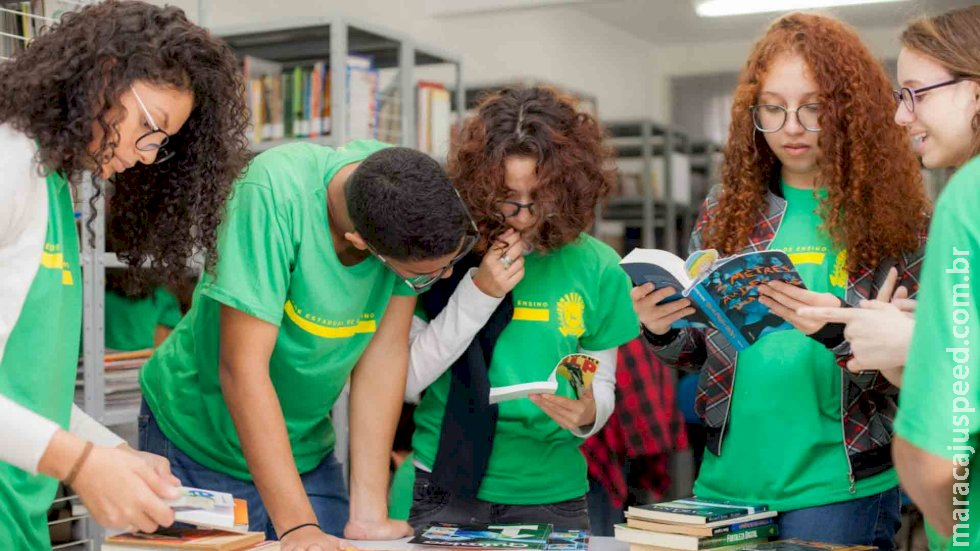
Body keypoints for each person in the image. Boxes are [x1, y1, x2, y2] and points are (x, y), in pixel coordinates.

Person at [630, 13, 930, 548]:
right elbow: (700, 352)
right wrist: (661, 330)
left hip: (838, 487)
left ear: (847, 112)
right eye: (773, 108)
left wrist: (834, 329)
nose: (792, 127)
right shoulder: (726, 210)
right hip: (724, 482)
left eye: (813, 108)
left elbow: (916, 373)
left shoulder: (895, 220)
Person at [138, 140, 476, 549]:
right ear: (361, 243)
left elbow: (384, 357)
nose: (441, 279)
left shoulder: (402, 189)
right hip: (199, 442)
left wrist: (368, 512)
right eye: (423, 275)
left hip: (304, 449)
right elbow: (242, 370)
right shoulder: (271, 193)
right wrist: (298, 527)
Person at [0, 0, 251, 547]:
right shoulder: (9, 162)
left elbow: (24, 389)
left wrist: (112, 455)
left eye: (161, 144)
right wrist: (82, 463)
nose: (145, 156)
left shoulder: (54, 187)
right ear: (104, 76)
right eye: (148, 126)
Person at [404, 86, 639, 529]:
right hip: (445, 485)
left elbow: (599, 380)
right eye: (508, 197)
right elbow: (408, 379)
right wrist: (479, 292)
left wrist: (589, 415)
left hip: (554, 494)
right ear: (481, 185)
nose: (524, 215)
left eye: (540, 198)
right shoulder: (444, 252)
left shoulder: (598, 266)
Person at [800, 6, 980, 549]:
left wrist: (922, 346)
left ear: (975, 91)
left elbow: (934, 462)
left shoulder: (966, 199)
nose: (902, 118)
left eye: (916, 93)